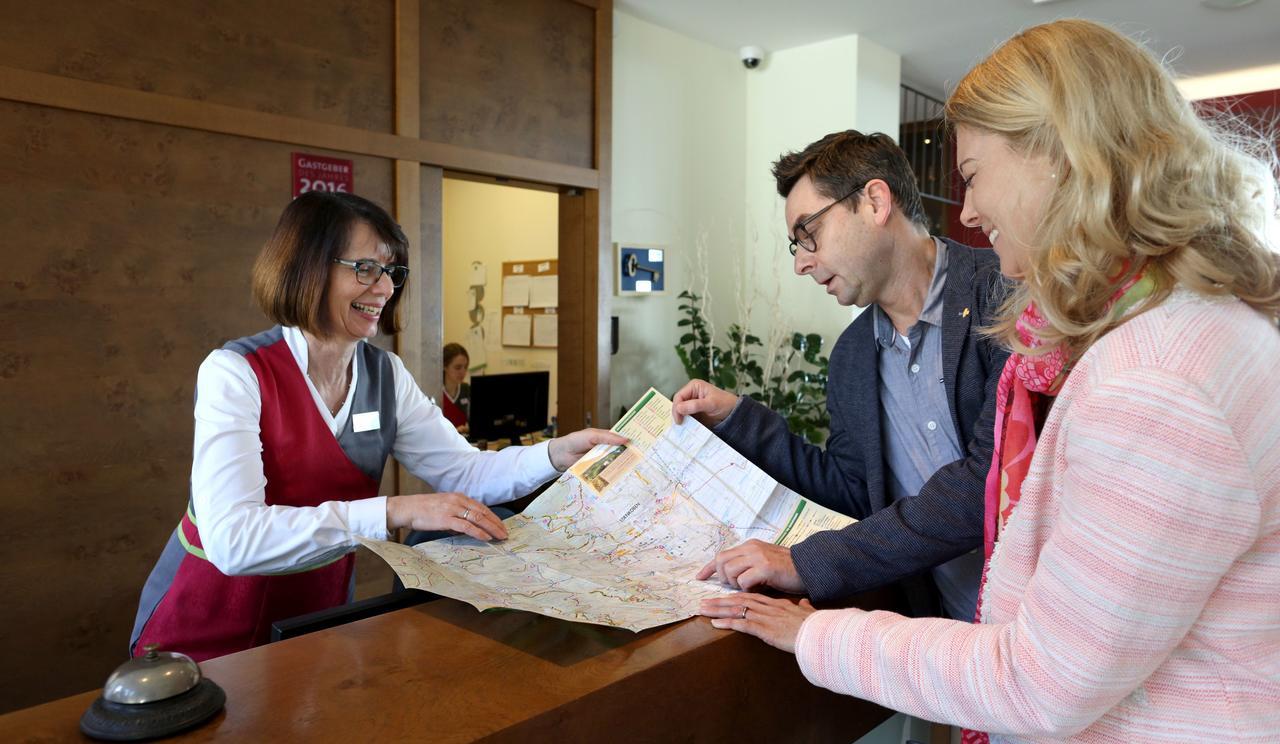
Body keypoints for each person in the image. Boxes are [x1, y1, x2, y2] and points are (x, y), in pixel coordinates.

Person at [701, 19, 1280, 741]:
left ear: (1061, 154)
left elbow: (1038, 681)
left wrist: (813, 630)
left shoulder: (1145, 377)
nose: (969, 211)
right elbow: (860, 486)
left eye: (973, 175)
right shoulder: (1189, 325)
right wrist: (742, 420)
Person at [130, 192, 624, 661]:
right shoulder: (235, 372)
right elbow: (233, 539)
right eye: (365, 268)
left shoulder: (385, 374)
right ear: (305, 267)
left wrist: (557, 454)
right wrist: (395, 510)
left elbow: (464, 472)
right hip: (209, 622)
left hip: (314, 617)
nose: (385, 288)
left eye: (391, 271)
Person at [675, 130, 1009, 620]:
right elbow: (854, 491)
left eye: (808, 234)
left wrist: (808, 562)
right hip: (945, 633)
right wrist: (738, 419)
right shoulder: (853, 356)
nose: (801, 263)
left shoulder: (1002, 294)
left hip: (1046, 625)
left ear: (874, 201)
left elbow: (990, 481)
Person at [441, 342, 471, 434]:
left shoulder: (466, 389)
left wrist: (469, 429)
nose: (463, 372)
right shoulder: (435, 392)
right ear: (444, 366)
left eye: (465, 367)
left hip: (464, 442)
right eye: (458, 367)